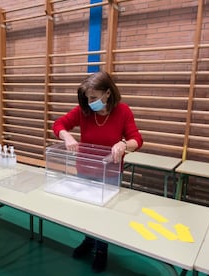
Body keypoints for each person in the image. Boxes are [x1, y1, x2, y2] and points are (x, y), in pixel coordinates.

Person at [52, 71, 143, 272]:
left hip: (109, 172)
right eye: (87, 98)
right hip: (84, 169)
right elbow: (59, 124)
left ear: (108, 93)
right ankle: (88, 241)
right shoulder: (84, 111)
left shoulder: (123, 111)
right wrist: (66, 136)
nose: (90, 101)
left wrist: (123, 145)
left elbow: (137, 139)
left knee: (105, 213)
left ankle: (102, 250)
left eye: (94, 97)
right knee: (87, 209)